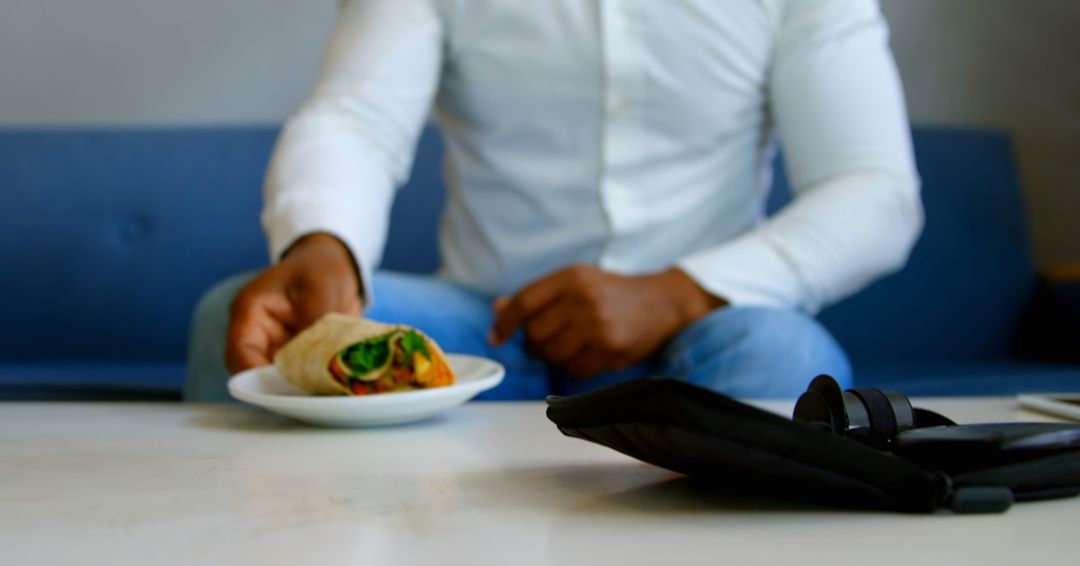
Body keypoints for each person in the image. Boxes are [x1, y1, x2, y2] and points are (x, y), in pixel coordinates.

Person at [185, 0, 922, 401]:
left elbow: (875, 191)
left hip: (706, 330)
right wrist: (323, 239)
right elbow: (357, 120)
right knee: (247, 320)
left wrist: (682, 292)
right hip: (487, 327)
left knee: (789, 354)